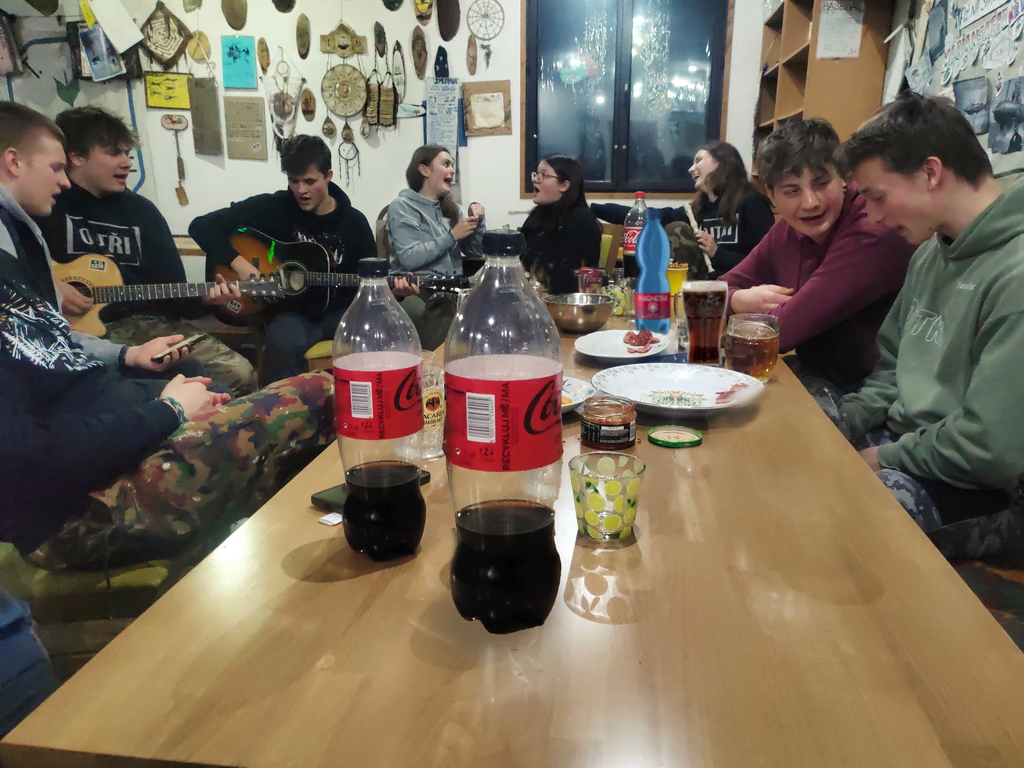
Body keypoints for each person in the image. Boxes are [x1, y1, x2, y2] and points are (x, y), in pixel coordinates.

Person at [0, 103, 333, 571]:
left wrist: (129, 358)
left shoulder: (25, 244)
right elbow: (28, 450)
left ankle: (246, 552)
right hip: (78, 509)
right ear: (14, 163)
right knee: (323, 393)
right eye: (56, 167)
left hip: (118, 404)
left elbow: (57, 353)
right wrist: (169, 410)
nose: (63, 182)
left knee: (207, 375)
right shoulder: (20, 260)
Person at [830, 92, 1024, 561]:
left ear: (931, 172)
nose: (874, 217)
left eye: (877, 197)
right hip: (912, 446)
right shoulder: (929, 254)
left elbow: (990, 449)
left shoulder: (1014, 274)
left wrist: (881, 458)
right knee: (798, 455)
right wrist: (842, 421)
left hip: (990, 488)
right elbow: (891, 369)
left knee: (843, 517)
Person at [36, 107, 256, 396]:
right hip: (72, 333)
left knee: (240, 374)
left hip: (148, 326)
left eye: (128, 153)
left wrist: (207, 299)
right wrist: (51, 285)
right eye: (114, 153)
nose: (127, 162)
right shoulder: (45, 203)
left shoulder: (143, 212)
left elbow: (173, 294)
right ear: (76, 157)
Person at [190, 135, 410, 386]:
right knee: (283, 341)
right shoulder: (274, 207)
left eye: (309, 181)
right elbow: (201, 226)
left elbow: (369, 283)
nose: (301, 190)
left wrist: (395, 291)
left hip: (340, 314)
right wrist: (241, 265)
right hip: (291, 315)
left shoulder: (354, 223)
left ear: (328, 176)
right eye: (293, 181)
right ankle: (277, 407)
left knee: (382, 329)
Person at [723, 118, 915, 392]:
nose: (810, 202)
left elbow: (783, 331)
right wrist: (738, 299)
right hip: (816, 376)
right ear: (771, 195)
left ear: (844, 177)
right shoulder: (787, 230)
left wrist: (732, 312)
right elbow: (706, 296)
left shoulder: (872, 226)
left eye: (822, 183)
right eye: (792, 191)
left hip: (872, 392)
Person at [591, 141, 774, 278]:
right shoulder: (696, 210)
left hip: (741, 287)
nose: (690, 169)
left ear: (722, 162)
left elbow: (764, 266)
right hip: (702, 286)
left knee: (677, 228)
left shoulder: (752, 202)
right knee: (671, 228)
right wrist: (592, 207)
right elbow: (650, 217)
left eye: (698, 161)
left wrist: (717, 253)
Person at [387, 145, 483, 350]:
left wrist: (478, 223)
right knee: (448, 308)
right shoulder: (402, 206)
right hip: (419, 287)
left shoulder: (450, 208)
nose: (452, 170)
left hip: (452, 287)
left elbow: (474, 252)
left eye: (452, 165)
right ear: (424, 170)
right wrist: (451, 235)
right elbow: (409, 258)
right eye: (446, 164)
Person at [520, 154, 601, 294]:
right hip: (533, 296)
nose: (535, 179)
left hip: (567, 300)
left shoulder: (581, 220)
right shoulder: (538, 216)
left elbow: (570, 276)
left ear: (564, 185)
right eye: (536, 174)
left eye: (544, 175)